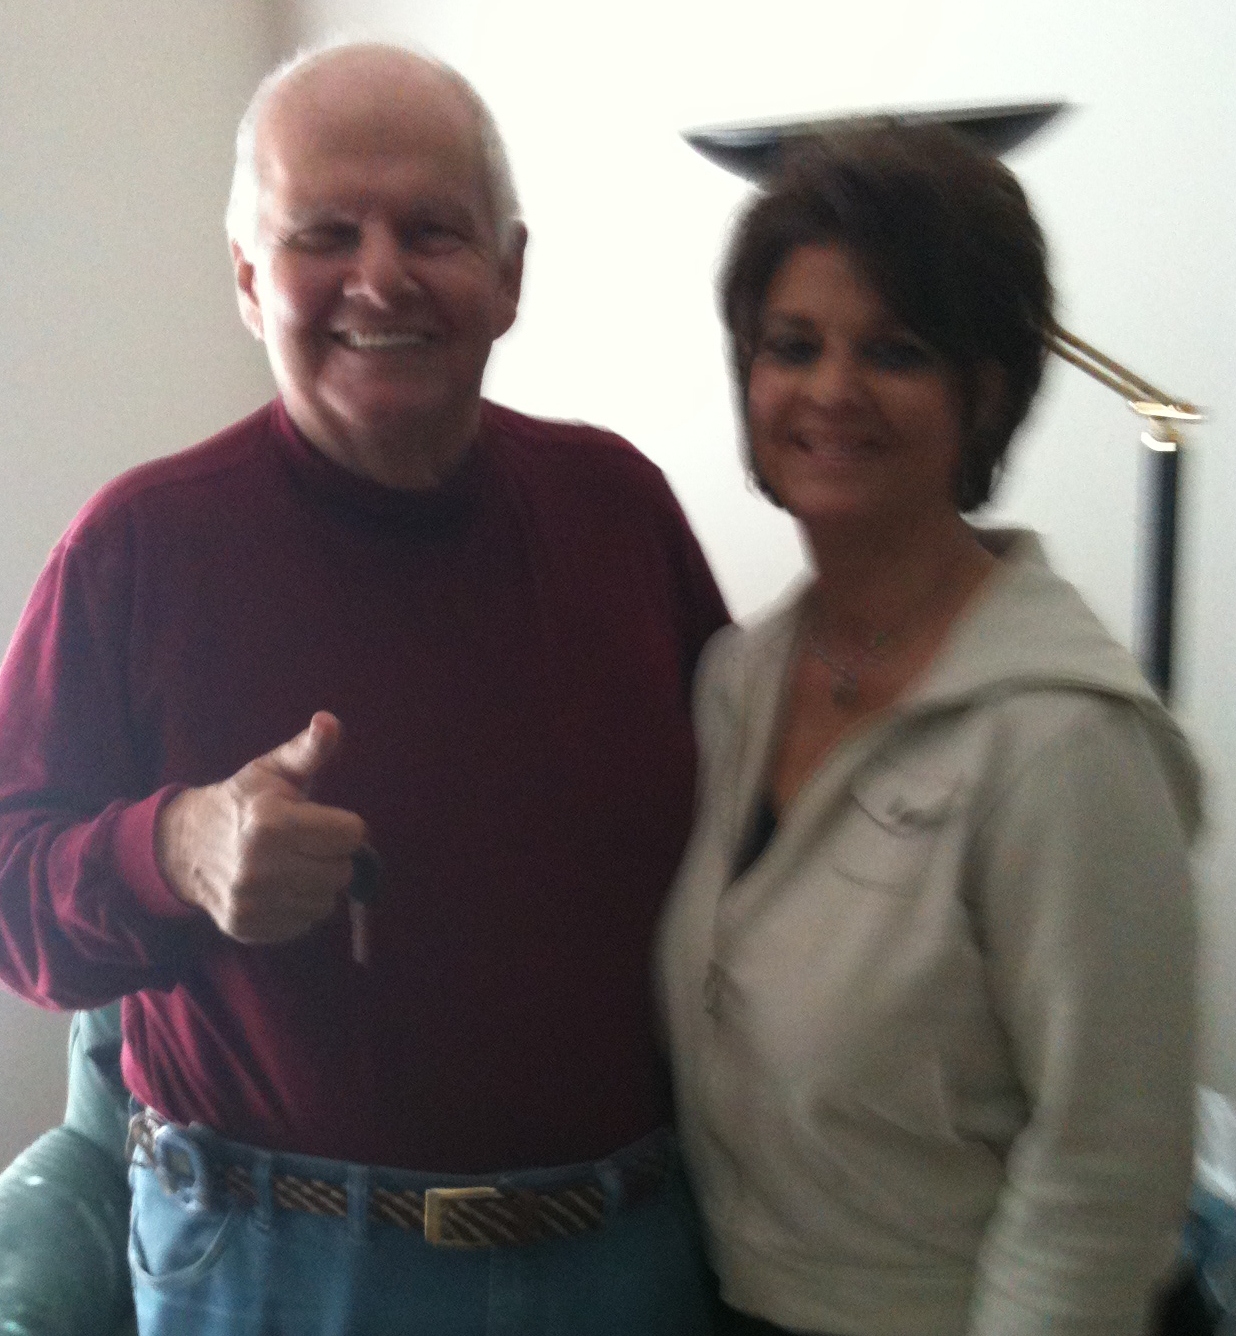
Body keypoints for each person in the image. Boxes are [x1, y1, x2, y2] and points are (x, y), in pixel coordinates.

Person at [0, 41, 727, 1336]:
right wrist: (175, 849)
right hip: (278, 1269)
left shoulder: (619, 512)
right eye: (323, 234)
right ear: (248, 278)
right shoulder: (138, 548)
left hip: (626, 1253)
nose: (380, 277)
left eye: (432, 230)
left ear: (508, 275)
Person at [656, 124, 1200, 1336]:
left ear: (985, 391)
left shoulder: (1063, 738)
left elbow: (1107, 1167)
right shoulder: (738, 680)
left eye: (895, 351)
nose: (831, 391)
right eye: (793, 345)